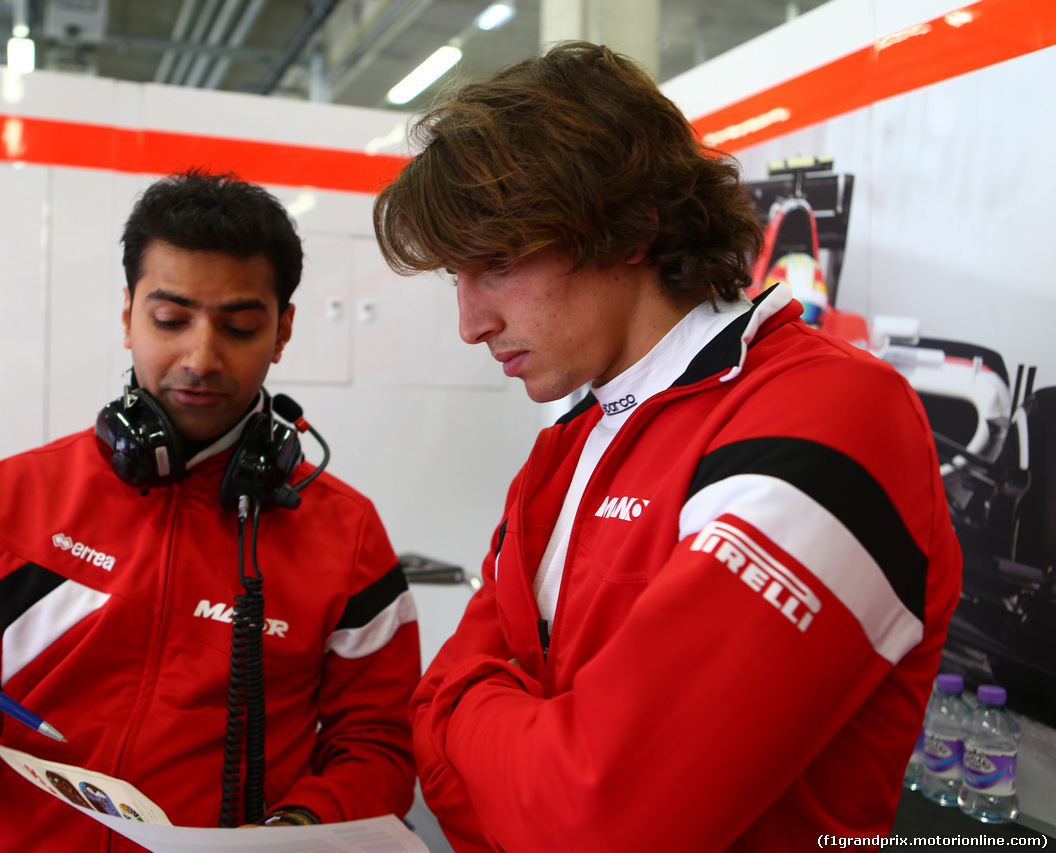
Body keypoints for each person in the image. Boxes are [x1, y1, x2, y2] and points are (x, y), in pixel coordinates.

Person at [373, 42, 961, 852]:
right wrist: (504, 738)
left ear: (630, 230)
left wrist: (471, 716)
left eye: (498, 265)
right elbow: (429, 736)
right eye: (457, 280)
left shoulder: (829, 411)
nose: (470, 323)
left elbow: (602, 820)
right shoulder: (566, 446)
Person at [0, 169, 420, 851]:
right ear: (126, 315)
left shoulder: (348, 533)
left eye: (238, 325)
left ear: (283, 328)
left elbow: (380, 745)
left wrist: (298, 832)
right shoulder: (6, 501)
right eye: (170, 319)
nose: (201, 357)